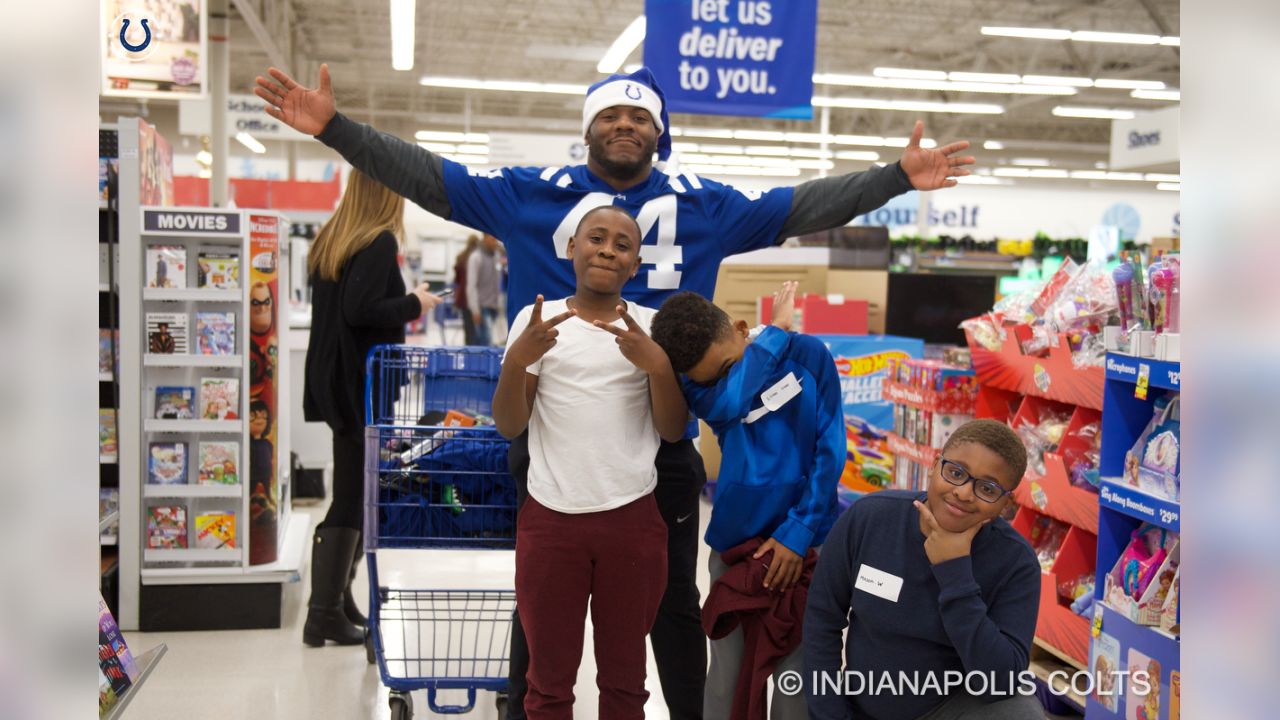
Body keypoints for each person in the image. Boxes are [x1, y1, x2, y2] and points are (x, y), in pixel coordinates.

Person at [256, 63, 974, 718]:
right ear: (588, 130)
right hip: (548, 436)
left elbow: (801, 205)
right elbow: (430, 177)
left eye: (640, 117)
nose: (624, 125)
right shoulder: (529, 196)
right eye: (610, 115)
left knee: (672, 606)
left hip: (659, 433)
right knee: (540, 603)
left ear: (660, 134)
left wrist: (896, 178)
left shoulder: (707, 207)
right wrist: (336, 130)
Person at [492, 205, 687, 719]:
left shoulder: (650, 326)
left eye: (622, 245)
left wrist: (659, 367)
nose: (607, 249)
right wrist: (517, 359)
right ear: (572, 248)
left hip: (633, 522)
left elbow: (671, 430)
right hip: (551, 520)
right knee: (547, 683)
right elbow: (510, 424)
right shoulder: (534, 323)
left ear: (636, 263)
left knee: (626, 682)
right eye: (595, 238)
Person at [650, 282, 843, 720]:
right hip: (735, 549)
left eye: (727, 365)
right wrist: (773, 334)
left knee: (797, 678)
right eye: (712, 376)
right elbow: (733, 398)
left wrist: (797, 536)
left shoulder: (811, 356)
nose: (723, 377)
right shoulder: (700, 385)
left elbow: (829, 451)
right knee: (727, 679)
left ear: (740, 330)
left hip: (810, 542)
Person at [803, 419, 1043, 720]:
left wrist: (955, 573)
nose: (964, 493)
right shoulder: (870, 518)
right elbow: (822, 619)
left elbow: (1001, 683)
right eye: (955, 473)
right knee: (796, 694)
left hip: (951, 708)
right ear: (934, 464)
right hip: (862, 705)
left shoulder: (1016, 562)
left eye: (987, 488)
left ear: (1005, 505)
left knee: (1022, 714)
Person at [300, 168, 443, 647]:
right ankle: (322, 614)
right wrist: (414, 302)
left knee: (355, 490)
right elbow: (362, 311)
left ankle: (338, 603)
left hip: (335, 379)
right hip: (358, 384)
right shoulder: (377, 241)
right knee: (351, 496)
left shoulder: (333, 240)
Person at [468, 233, 505, 346]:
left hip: (494, 305)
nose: (495, 242)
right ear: (485, 238)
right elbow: (471, 284)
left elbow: (498, 281)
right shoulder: (476, 257)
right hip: (482, 305)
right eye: (492, 239)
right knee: (487, 339)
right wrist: (475, 309)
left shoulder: (497, 257)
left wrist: (499, 303)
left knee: (486, 339)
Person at [453, 235, 480, 344]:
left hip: (463, 297)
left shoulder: (461, 257)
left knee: (468, 329)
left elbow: (457, 280)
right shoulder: (478, 258)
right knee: (477, 330)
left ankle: (468, 352)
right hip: (476, 297)